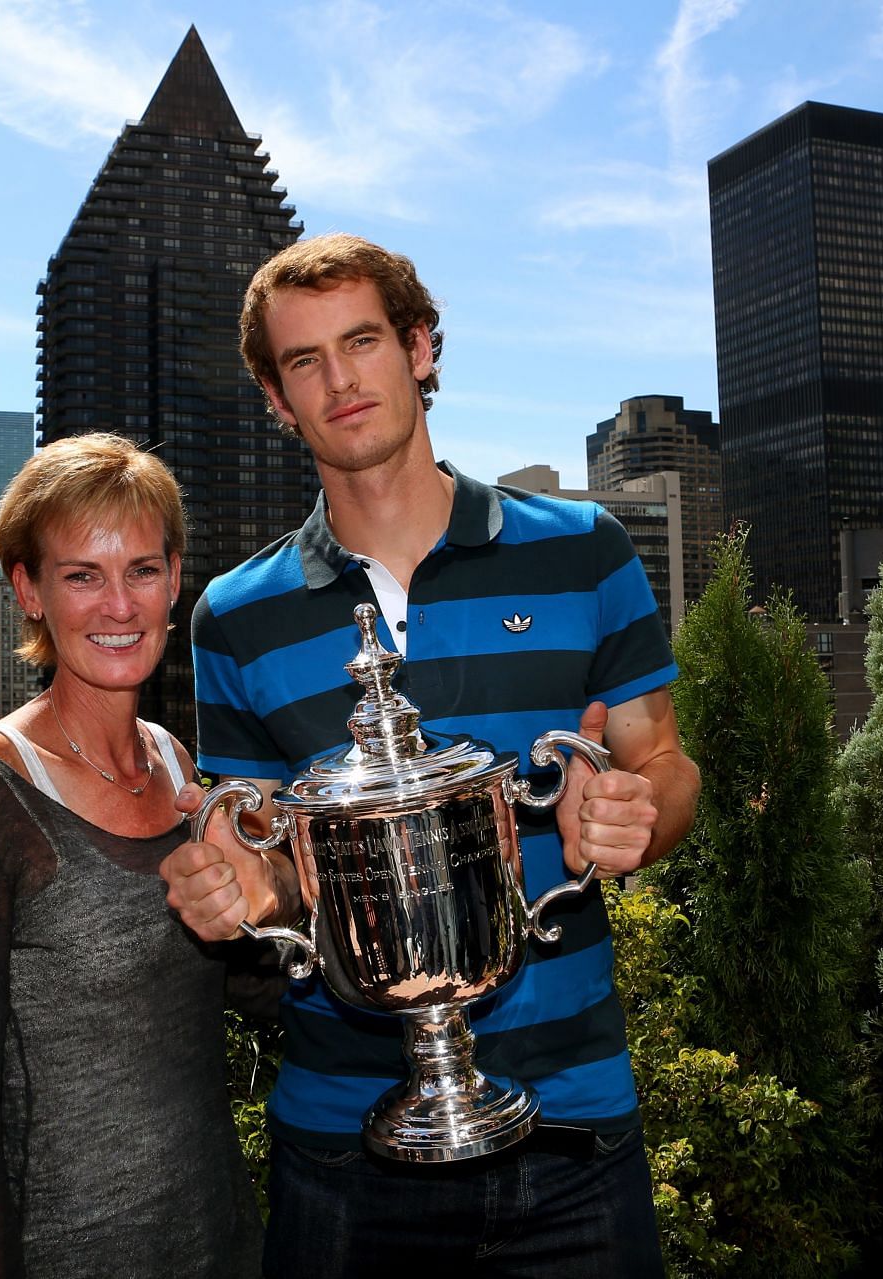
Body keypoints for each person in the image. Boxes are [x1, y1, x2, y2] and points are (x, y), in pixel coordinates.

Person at [160, 234, 700, 1277]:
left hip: (575, 1125)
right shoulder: (234, 616)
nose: (340, 379)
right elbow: (262, 846)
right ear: (277, 399)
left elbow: (665, 763)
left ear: (419, 349)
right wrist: (241, 888)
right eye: (303, 361)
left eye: (361, 341)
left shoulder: (585, 548)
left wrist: (638, 814)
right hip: (342, 1148)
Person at [0, 433, 261, 1278]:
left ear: (174, 581)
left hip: (221, 1242)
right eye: (81, 574)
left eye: (140, 569)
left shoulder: (175, 764)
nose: (119, 604)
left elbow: (244, 983)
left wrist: (286, 879)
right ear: (29, 590)